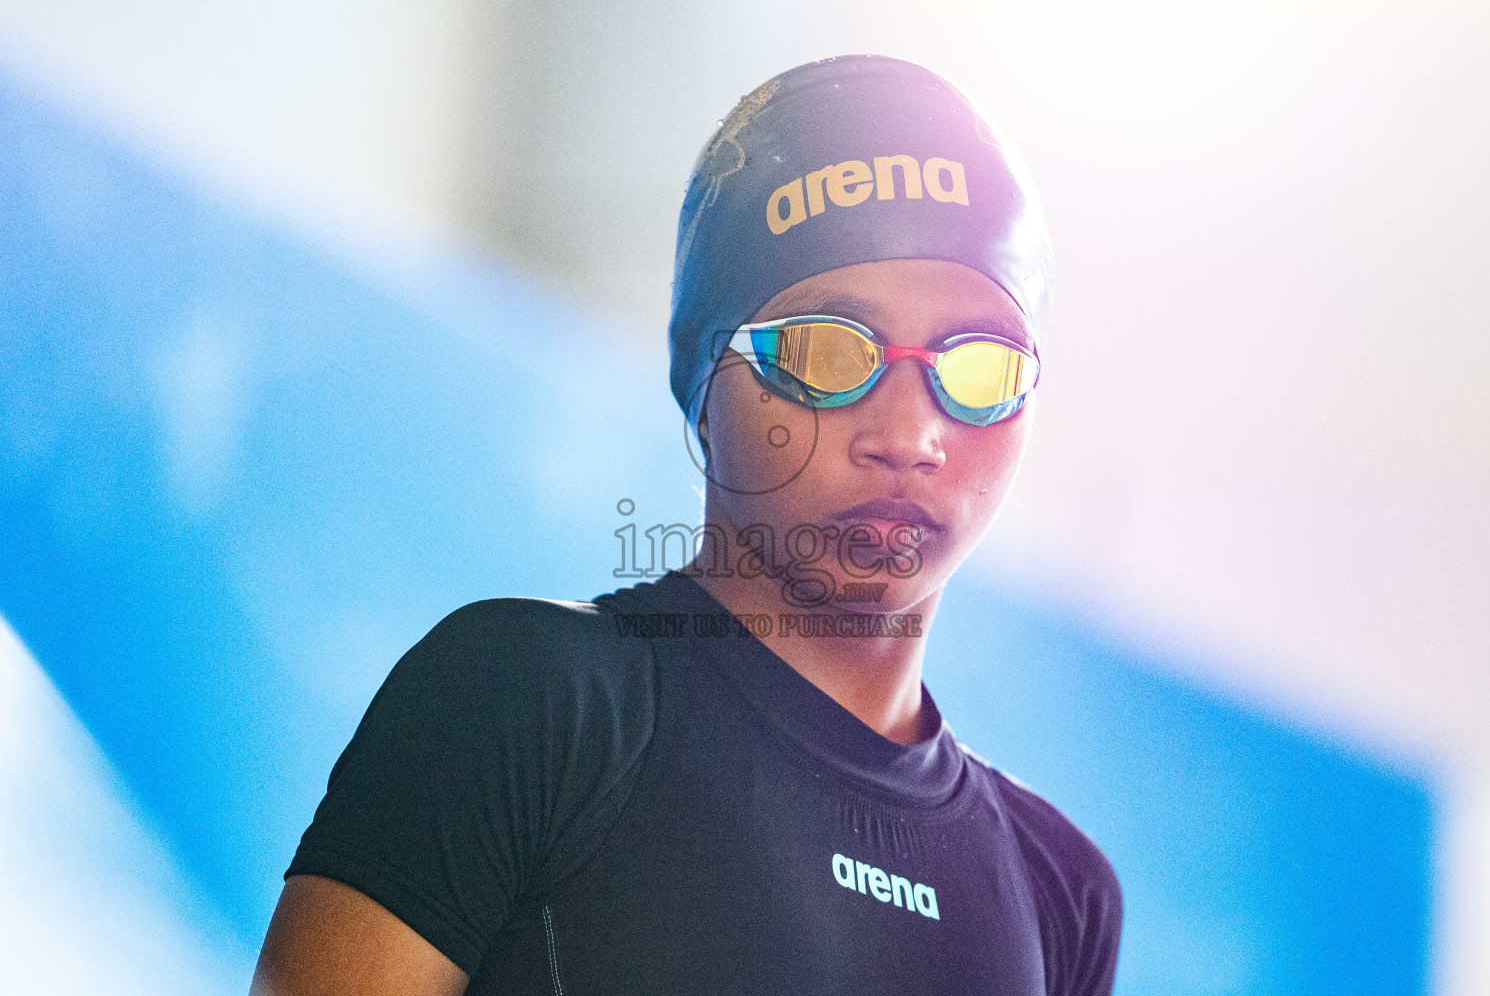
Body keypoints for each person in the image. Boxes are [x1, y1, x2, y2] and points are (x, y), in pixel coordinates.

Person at [252, 54, 1122, 996]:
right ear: (705, 384)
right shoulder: (528, 702)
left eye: (981, 365)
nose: (910, 434)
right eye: (829, 353)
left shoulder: (1058, 889)